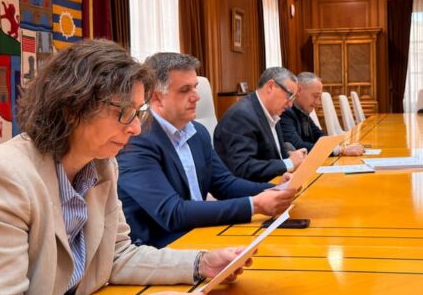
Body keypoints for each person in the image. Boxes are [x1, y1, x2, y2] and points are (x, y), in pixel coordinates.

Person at [0, 40, 254, 295]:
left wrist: (201, 263)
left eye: (138, 112)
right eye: (124, 112)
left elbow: (116, 256)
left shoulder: (102, 165)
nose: (136, 128)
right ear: (73, 107)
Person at [117, 53, 296, 248]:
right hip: (160, 248)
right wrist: (255, 205)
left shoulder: (198, 132)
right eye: (185, 90)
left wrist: (277, 189)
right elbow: (172, 213)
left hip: (201, 232)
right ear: (156, 97)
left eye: (195, 87)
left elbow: (225, 185)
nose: (197, 96)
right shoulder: (136, 141)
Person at [214, 67, 307, 181]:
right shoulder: (241, 116)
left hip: (277, 182)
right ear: (271, 86)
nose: (290, 105)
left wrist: (291, 157)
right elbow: (243, 168)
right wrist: (288, 163)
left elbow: (271, 156)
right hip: (254, 189)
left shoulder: (272, 113)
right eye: (289, 96)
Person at [279, 72, 364, 155]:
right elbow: (298, 146)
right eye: (315, 96)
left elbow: (320, 136)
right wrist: (339, 150)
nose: (318, 102)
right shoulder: (285, 112)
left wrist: (339, 147)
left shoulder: (302, 111)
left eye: (319, 97)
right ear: (299, 90)